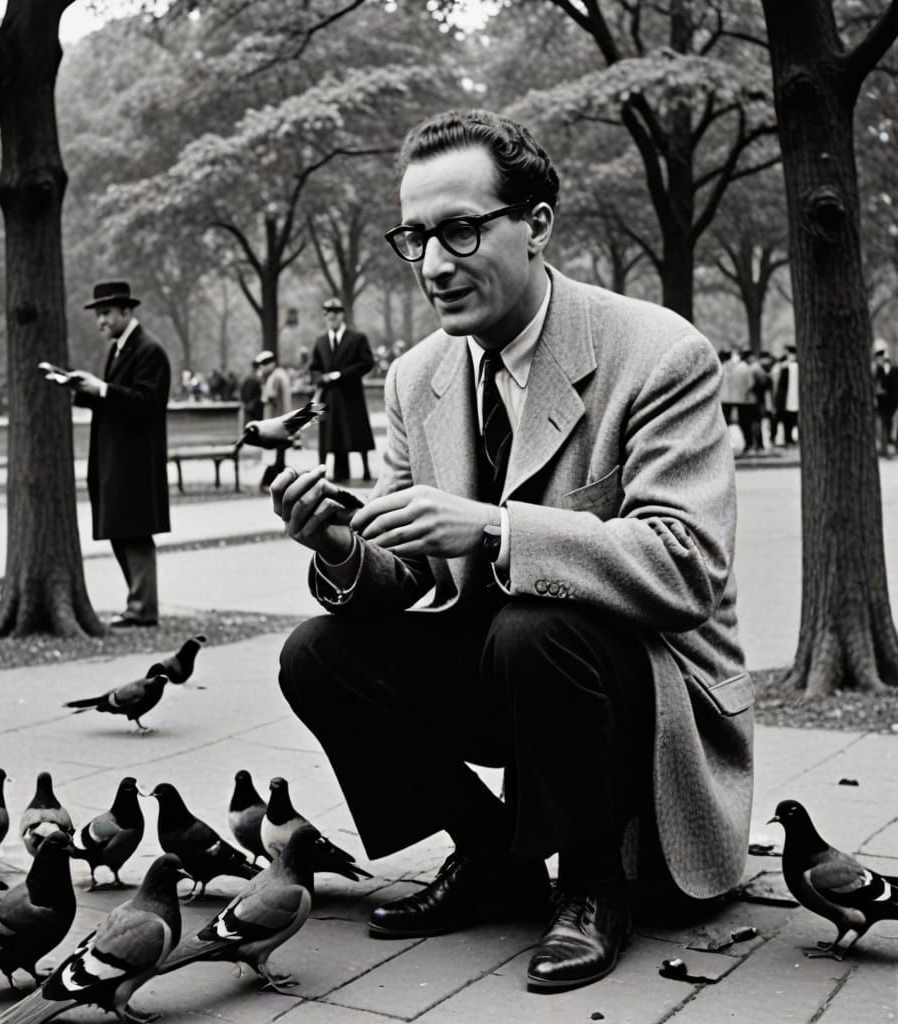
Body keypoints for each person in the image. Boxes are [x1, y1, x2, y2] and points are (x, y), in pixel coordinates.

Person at [272, 110, 751, 994]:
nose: (434, 264)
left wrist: (494, 528)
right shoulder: (418, 377)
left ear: (537, 224)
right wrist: (340, 543)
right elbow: (411, 569)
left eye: (459, 229)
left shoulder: (657, 352)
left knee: (534, 627)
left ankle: (595, 880)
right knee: (316, 655)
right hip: (507, 675)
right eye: (414, 238)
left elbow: (687, 567)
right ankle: (493, 854)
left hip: (641, 694)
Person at [71, 281, 171, 628]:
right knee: (120, 529)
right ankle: (138, 604)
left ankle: (143, 608)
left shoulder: (148, 350)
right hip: (118, 457)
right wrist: (84, 390)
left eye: (105, 314)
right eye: (97, 315)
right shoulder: (121, 349)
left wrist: (100, 388)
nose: (100, 321)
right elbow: (120, 398)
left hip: (135, 461)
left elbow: (146, 403)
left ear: (126, 312)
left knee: (135, 531)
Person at [310, 297, 375, 482]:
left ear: (342, 315)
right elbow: (313, 367)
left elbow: (367, 363)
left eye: (336, 314)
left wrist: (341, 374)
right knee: (330, 435)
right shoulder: (321, 341)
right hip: (328, 396)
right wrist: (321, 377)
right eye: (328, 315)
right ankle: (325, 472)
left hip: (351, 395)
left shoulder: (357, 338)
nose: (332, 317)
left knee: (355, 434)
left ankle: (366, 471)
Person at [255, 349, 293, 490]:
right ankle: (275, 482)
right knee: (279, 455)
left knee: (275, 455)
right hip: (283, 420)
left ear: (271, 364)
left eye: (264, 364)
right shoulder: (280, 374)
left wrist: (262, 382)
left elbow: (269, 397)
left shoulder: (274, 377)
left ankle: (270, 483)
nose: (262, 368)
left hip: (277, 421)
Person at [872, 340, 898, 458]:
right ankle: (884, 448)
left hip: (891, 402)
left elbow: (894, 387)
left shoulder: (892, 370)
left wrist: (885, 391)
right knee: (883, 425)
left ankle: (890, 447)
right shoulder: (879, 371)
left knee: (890, 426)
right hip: (882, 404)